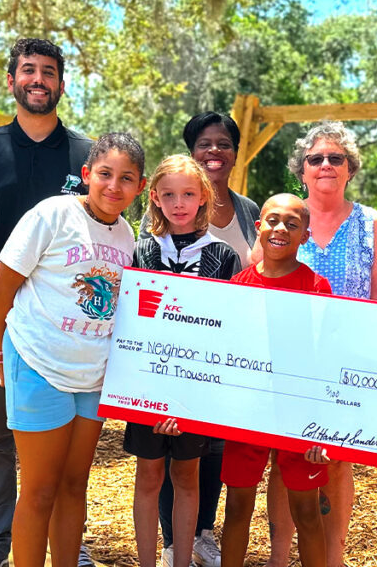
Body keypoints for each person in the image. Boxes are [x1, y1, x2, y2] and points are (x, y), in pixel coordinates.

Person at [0, 37, 94, 567]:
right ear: (11, 81)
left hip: (70, 333)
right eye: (28, 70)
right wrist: (9, 287)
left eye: (49, 72)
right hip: (0, 325)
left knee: (61, 449)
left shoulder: (86, 157)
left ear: (62, 83)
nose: (39, 79)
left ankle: (64, 548)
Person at [0, 133, 146, 567]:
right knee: (39, 489)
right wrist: (1, 354)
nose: (114, 186)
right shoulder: (52, 215)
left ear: (141, 187)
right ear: (87, 175)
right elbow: (1, 289)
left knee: (75, 486)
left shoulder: (127, 236)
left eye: (126, 178)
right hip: (39, 363)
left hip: (91, 376)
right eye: (106, 174)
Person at [265, 121, 377, 567]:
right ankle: (279, 558)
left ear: (350, 169)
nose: (325, 165)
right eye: (315, 158)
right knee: (284, 462)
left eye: (335, 158)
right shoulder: (282, 218)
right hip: (288, 363)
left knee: (337, 461)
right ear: (301, 170)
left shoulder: (371, 223)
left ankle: (333, 556)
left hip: (347, 364)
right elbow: (256, 279)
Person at [140, 113, 259, 567]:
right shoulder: (146, 246)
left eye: (224, 144)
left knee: (207, 453)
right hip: (155, 371)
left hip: (208, 368)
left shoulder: (246, 216)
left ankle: (197, 535)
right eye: (205, 144)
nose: (215, 151)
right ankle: (170, 543)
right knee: (158, 464)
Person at [126, 155, 239, 567]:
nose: (179, 203)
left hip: (195, 391)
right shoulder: (139, 252)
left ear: (203, 196)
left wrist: (187, 397)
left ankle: (180, 560)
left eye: (188, 194)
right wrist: (151, 394)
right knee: (149, 476)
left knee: (187, 475)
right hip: (145, 389)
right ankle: (145, 562)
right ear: (154, 197)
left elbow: (226, 330)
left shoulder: (223, 257)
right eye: (169, 194)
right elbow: (131, 327)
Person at [221, 193, 334, 567]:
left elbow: (326, 358)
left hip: (299, 414)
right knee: (237, 508)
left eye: (292, 223)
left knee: (306, 513)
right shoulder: (238, 285)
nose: (280, 229)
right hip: (248, 413)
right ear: (258, 227)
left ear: (305, 235)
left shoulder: (318, 288)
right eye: (272, 220)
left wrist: (323, 425)